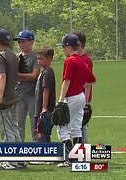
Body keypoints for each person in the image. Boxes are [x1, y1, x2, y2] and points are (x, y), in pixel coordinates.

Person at [56, 34, 96, 167]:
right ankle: (79, 158)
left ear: (69, 47)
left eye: (63, 47)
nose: (62, 50)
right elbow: (91, 80)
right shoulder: (81, 60)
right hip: (81, 96)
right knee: (76, 128)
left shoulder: (70, 60)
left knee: (63, 128)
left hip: (72, 97)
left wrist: (61, 100)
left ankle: (69, 159)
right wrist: (80, 86)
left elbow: (66, 81)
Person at [0, 28, 26, 170]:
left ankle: (9, 161)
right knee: (15, 128)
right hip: (14, 96)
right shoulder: (12, 55)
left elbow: (3, 76)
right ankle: (20, 159)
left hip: (6, 98)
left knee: (6, 130)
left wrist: (0, 95)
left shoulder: (0, 56)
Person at [13, 30, 40, 142]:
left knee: (35, 125)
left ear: (31, 41)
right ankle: (20, 152)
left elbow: (34, 75)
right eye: (19, 42)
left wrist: (17, 75)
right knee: (18, 126)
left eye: (23, 42)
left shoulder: (35, 57)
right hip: (19, 94)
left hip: (32, 94)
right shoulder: (17, 56)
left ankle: (36, 151)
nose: (21, 44)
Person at [73, 31, 93, 144]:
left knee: (82, 125)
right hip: (74, 97)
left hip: (82, 98)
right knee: (75, 125)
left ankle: (83, 151)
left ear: (79, 43)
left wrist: (86, 102)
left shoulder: (86, 60)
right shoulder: (74, 59)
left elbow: (88, 82)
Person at [34, 45, 56, 143]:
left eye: (41, 59)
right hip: (39, 109)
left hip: (43, 110)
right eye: (38, 58)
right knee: (41, 133)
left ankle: (47, 156)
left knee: (43, 134)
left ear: (49, 59)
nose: (39, 61)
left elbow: (46, 90)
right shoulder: (44, 71)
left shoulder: (48, 72)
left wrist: (44, 108)